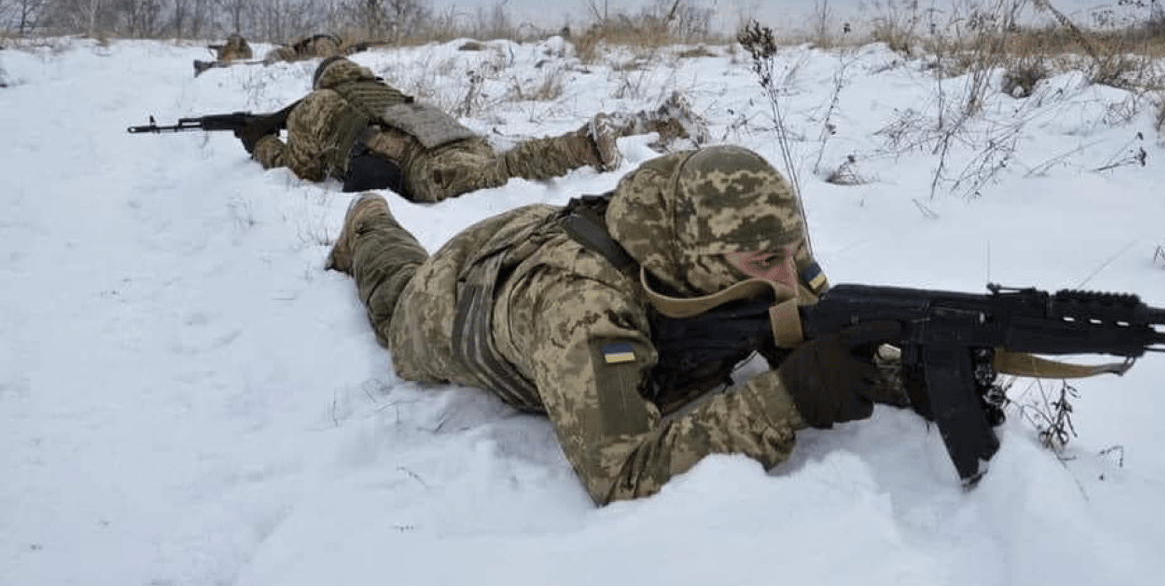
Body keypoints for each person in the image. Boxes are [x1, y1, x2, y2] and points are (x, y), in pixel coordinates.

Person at [325, 144, 885, 504]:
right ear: (698, 262)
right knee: (395, 290)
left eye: (795, 253)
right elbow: (620, 472)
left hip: (552, 233)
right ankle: (370, 221)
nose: (792, 279)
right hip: (454, 297)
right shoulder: (581, 309)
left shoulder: (757, 242)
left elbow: (820, 318)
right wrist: (785, 399)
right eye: (767, 267)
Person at [237, 55, 624, 202]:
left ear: (320, 81)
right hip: (457, 138)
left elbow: (302, 171)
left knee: (499, 176)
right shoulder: (378, 89)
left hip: (423, 161)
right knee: (498, 163)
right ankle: (580, 145)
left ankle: (582, 147)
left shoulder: (315, 105)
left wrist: (263, 145)